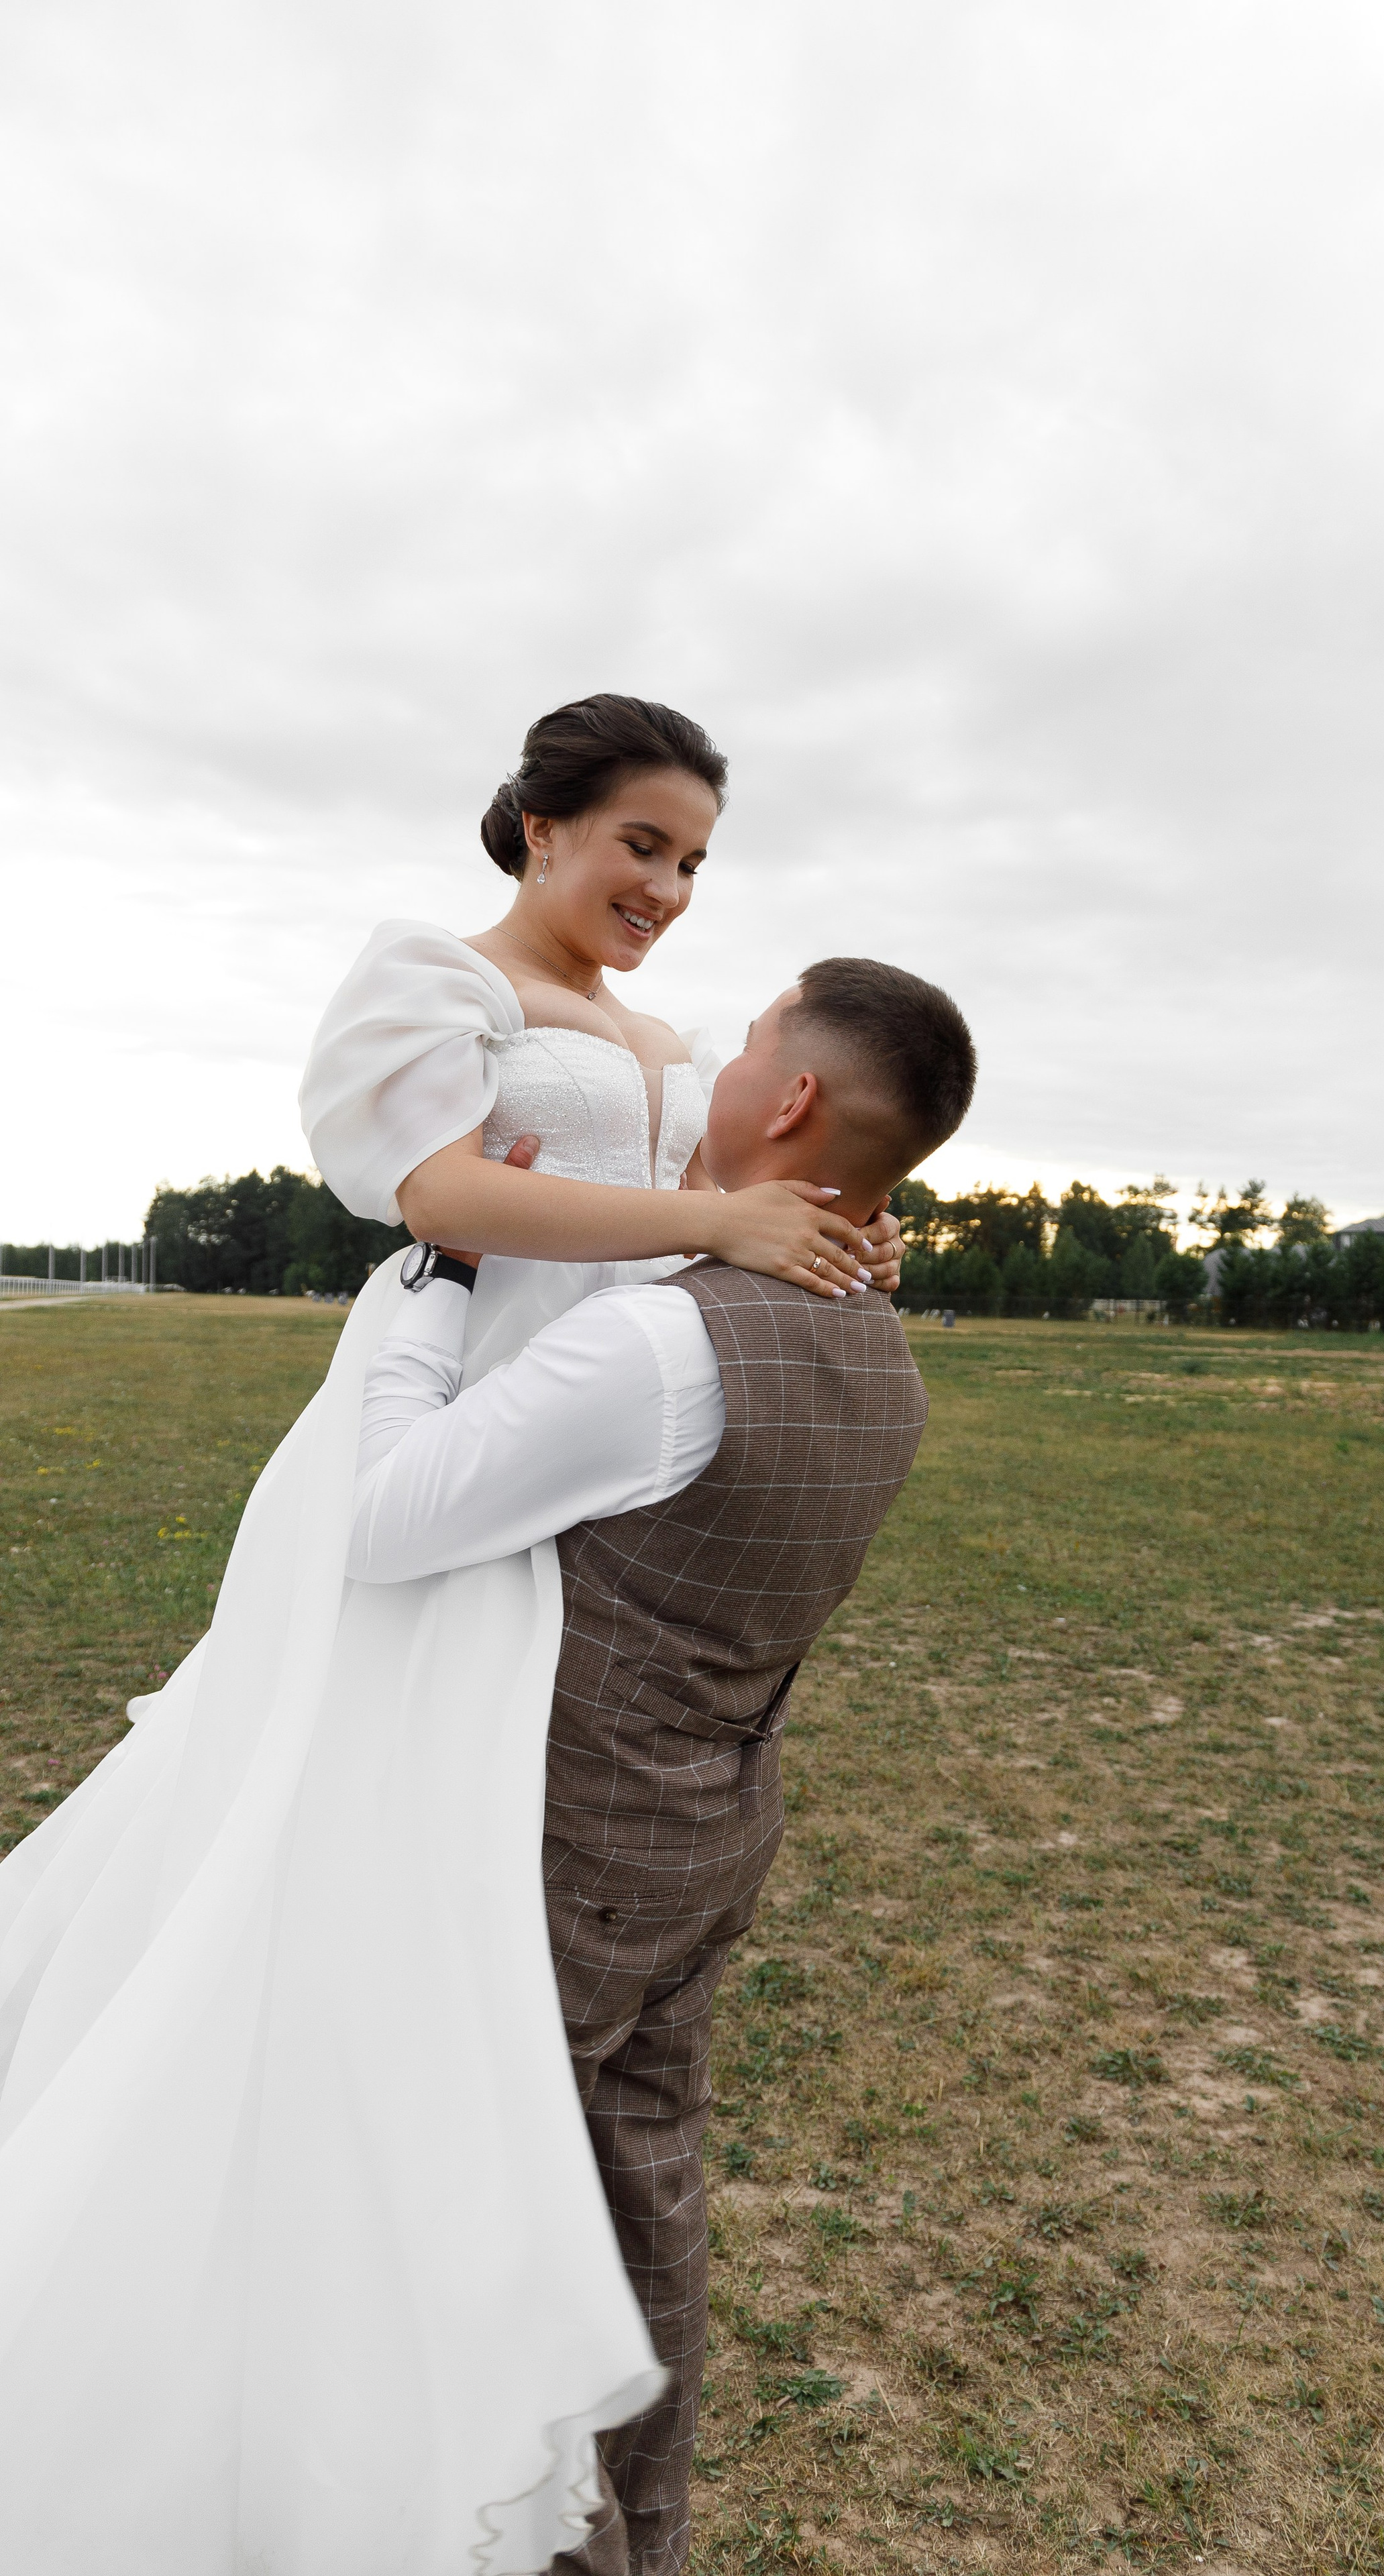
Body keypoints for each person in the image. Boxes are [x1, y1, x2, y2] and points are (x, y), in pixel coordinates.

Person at [0, 696, 905, 2575]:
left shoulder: (665, 1048)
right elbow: (436, 1200)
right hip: (423, 1430)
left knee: (437, 1887)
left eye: (694, 862)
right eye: (640, 843)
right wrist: (719, 1225)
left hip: (555, 1489)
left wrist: (808, 1234)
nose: (665, 888)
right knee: (308, 1843)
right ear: (539, 825)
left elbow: (680, 1245)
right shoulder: (436, 978)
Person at [346, 959, 977, 2573]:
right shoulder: (876, 1350)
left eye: (751, 1037)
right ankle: (639, 2534)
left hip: (561, 1856)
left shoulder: (658, 1349)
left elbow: (391, 1516)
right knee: (639, 2212)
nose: (719, 1046)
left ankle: (502, 2537)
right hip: (708, 1839)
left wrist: (435, 1278)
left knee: (489, 2236)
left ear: (786, 1104)